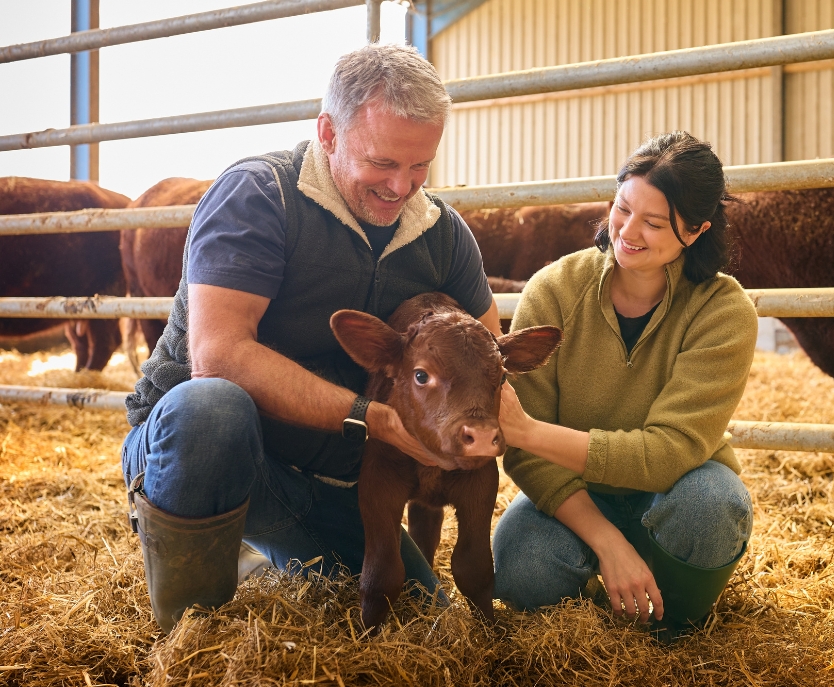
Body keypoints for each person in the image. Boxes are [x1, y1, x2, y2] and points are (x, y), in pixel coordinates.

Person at [121, 44, 500, 633]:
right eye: (382, 162)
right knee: (212, 409)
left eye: (420, 165)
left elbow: (486, 358)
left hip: (329, 482)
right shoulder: (258, 196)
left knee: (418, 618)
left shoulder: (443, 235)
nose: (402, 186)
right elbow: (217, 355)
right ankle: (189, 633)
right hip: (203, 450)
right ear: (328, 131)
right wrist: (369, 418)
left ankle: (261, 549)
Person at [493, 131, 758, 640]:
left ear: (697, 230)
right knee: (521, 571)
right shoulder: (553, 289)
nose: (628, 231)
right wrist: (609, 542)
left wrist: (526, 432)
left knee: (713, 507)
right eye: (622, 208)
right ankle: (614, 569)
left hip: (675, 490)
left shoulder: (723, 311)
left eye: (654, 222)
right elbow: (526, 454)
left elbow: (668, 452)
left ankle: (671, 622)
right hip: (577, 496)